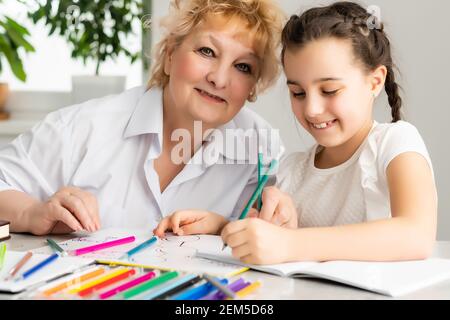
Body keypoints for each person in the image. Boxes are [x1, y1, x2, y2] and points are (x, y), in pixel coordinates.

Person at [155, 1, 437, 265]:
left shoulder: (395, 144)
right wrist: (222, 227)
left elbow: (416, 235)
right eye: (298, 92)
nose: (312, 109)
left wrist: (290, 244)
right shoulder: (291, 172)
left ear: (375, 82)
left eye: (329, 90)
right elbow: (272, 242)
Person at [0, 0, 285, 235]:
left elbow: (267, 232)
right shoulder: (85, 126)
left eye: (243, 67)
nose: (219, 79)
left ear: (252, 88)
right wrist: (32, 213)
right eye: (207, 51)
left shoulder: (259, 148)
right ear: (171, 54)